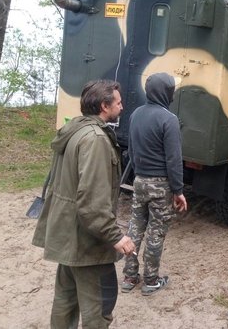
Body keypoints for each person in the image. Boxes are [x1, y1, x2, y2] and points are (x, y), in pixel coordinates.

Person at [32, 79, 136, 328]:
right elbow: (92, 201)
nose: (122, 107)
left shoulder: (75, 131)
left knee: (65, 302)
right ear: (104, 105)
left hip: (68, 236)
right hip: (87, 244)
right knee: (99, 308)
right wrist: (116, 237)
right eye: (118, 103)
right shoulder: (95, 139)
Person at [121, 72, 188, 296]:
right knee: (156, 233)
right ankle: (151, 280)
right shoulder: (168, 119)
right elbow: (174, 159)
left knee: (135, 227)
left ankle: (130, 276)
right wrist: (178, 190)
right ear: (166, 92)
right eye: (172, 89)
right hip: (160, 185)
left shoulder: (135, 115)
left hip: (139, 180)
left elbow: (130, 149)